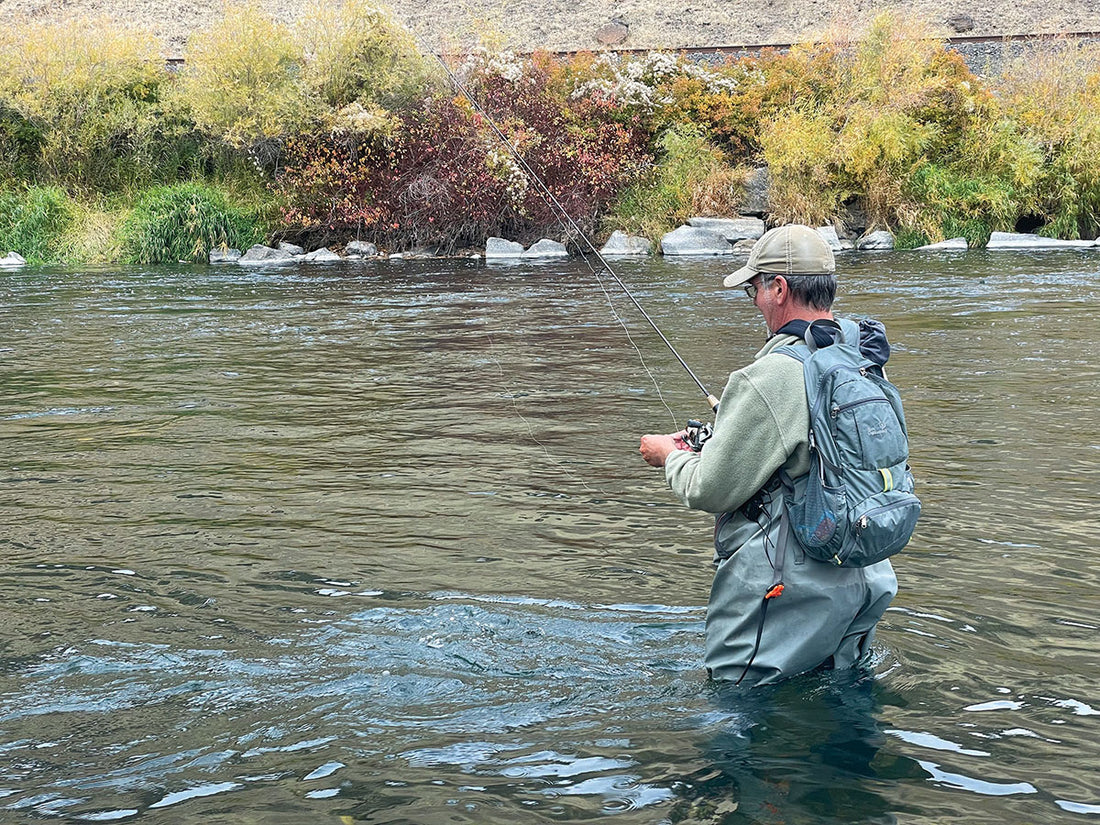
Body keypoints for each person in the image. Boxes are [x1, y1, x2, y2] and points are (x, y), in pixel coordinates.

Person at [639, 224, 898, 687]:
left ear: (778, 288)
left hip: (788, 592)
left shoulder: (771, 375)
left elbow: (710, 488)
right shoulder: (857, 355)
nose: (754, 301)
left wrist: (670, 456)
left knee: (735, 710)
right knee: (842, 706)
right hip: (866, 575)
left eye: (753, 289)